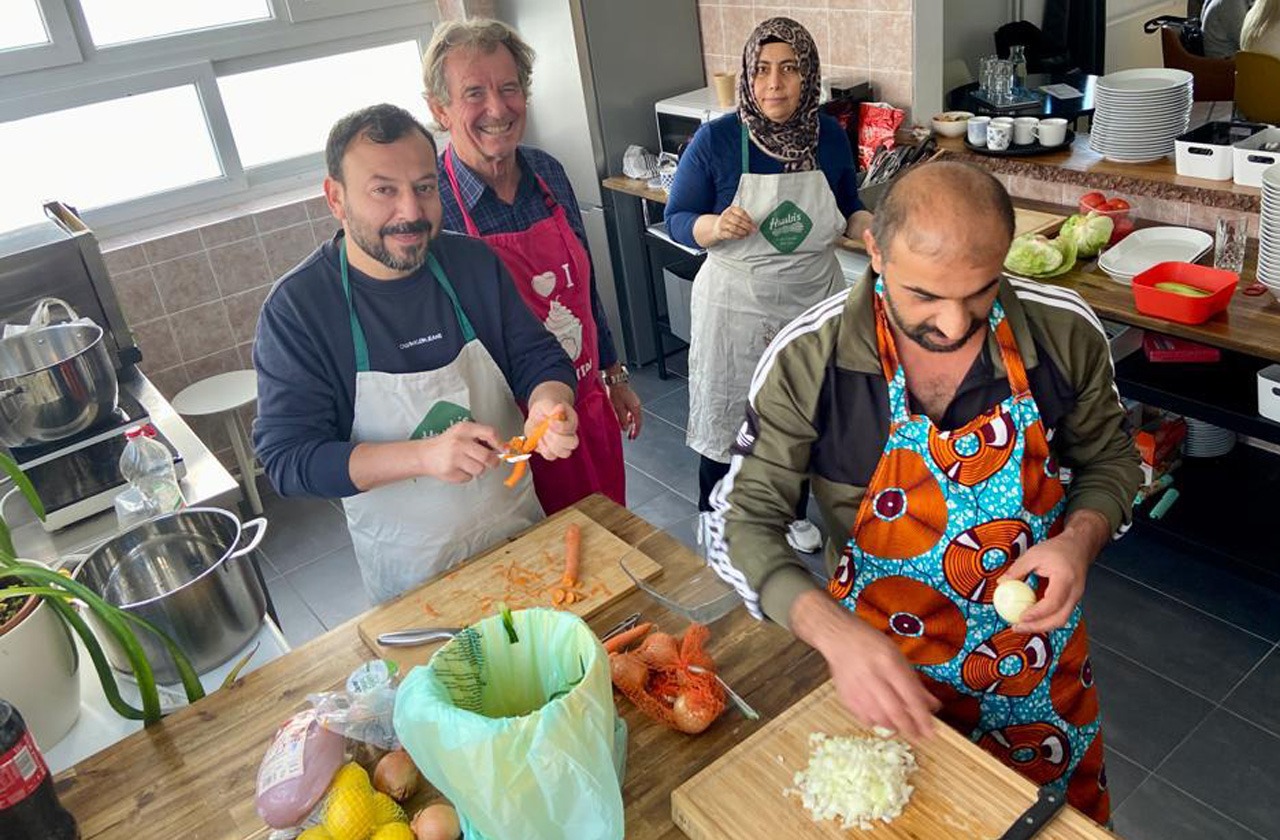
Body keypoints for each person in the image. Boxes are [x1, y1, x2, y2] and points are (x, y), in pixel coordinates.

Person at [704, 162, 1141, 825]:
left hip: (1036, 669)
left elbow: (1113, 460)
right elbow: (741, 522)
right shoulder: (810, 359)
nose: (954, 321)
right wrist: (832, 634)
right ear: (874, 247)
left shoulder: (1063, 333)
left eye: (980, 292)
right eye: (923, 295)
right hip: (880, 673)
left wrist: (1078, 542)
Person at [253, 103, 579, 604]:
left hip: (520, 539)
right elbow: (289, 459)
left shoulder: (471, 263)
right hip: (412, 578)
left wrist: (548, 405)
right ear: (335, 198)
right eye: (384, 190)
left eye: (424, 187)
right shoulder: (299, 309)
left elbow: (540, 358)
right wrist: (424, 455)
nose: (410, 212)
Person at [664, 16, 873, 553]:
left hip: (812, 300)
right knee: (728, 416)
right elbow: (677, 215)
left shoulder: (828, 136)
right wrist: (712, 226)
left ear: (809, 77)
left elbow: (848, 205)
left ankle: (791, 515)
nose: (774, 84)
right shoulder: (716, 140)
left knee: (805, 416)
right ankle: (716, 519)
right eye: (761, 71)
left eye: (788, 69)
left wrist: (868, 228)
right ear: (747, 78)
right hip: (739, 301)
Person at [423, 18, 640, 515]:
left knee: (608, 543)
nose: (497, 109)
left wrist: (614, 374)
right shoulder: (431, 206)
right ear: (440, 110)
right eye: (474, 93)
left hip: (583, 407)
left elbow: (584, 292)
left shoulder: (549, 172)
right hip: (504, 438)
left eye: (509, 88)